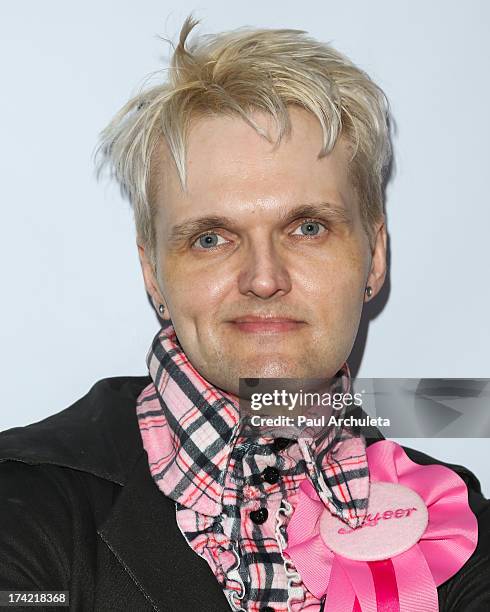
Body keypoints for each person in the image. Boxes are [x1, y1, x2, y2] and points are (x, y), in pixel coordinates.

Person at [0, 15, 488, 612]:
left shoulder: (455, 518)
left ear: (375, 255)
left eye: (308, 228)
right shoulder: (22, 503)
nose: (264, 278)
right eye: (210, 238)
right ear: (154, 272)